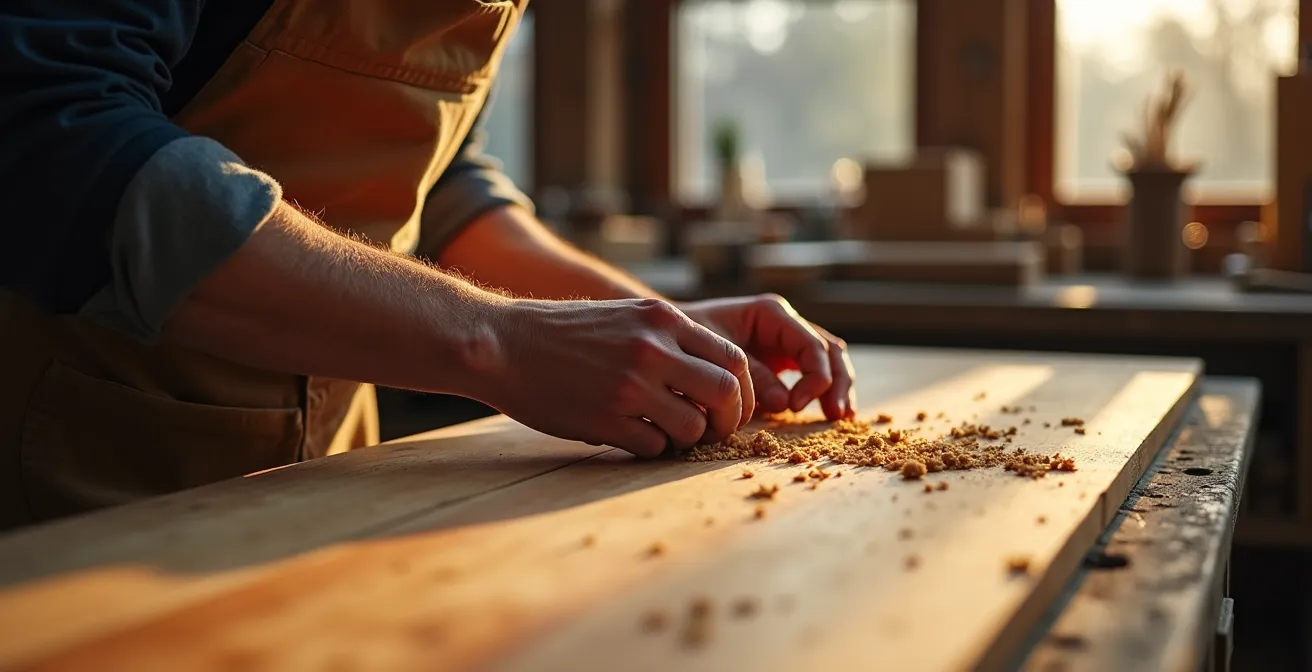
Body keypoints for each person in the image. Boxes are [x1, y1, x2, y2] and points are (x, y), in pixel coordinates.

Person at [0, 0, 855, 530]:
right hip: (83, 481)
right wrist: (496, 341)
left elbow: (438, 185)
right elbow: (50, 134)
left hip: (324, 481)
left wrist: (666, 332)